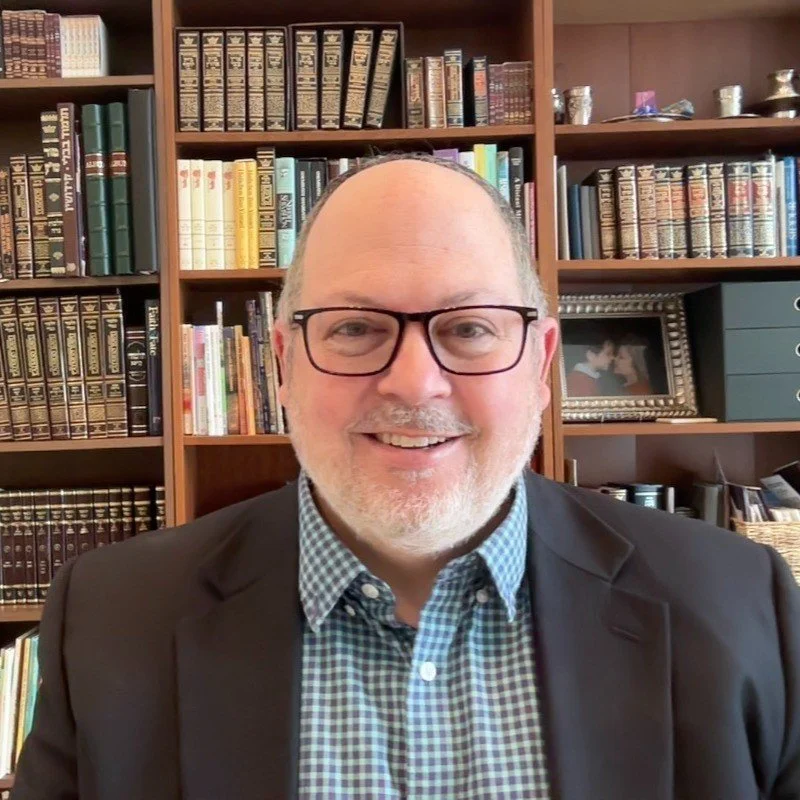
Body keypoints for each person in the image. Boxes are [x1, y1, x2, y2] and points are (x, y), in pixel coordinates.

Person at [11, 154, 800, 800]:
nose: (414, 384)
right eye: (355, 328)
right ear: (283, 364)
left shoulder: (742, 605)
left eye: (468, 328)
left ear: (543, 365)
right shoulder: (112, 622)